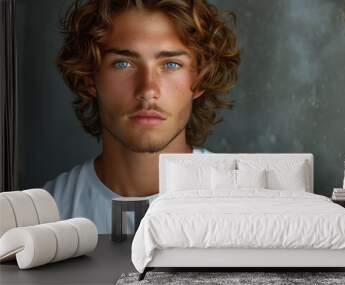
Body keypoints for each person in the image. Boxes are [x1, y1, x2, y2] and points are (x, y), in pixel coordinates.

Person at [43, 0, 240, 234]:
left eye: (171, 64)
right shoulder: (44, 217)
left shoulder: (242, 209)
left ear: (201, 79)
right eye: (123, 63)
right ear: (89, 78)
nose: (148, 90)